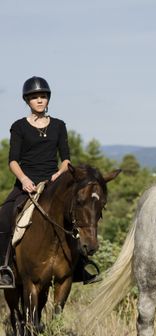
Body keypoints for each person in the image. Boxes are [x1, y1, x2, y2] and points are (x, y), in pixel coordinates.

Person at [0, 76, 96, 288]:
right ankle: (4, 267)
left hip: (52, 183)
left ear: (48, 98)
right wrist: (23, 179)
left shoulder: (59, 126)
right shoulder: (18, 127)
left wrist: (60, 173)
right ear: (27, 101)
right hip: (26, 184)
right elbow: (13, 161)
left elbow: (66, 159)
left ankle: (80, 265)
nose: (39, 100)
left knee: (75, 212)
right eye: (34, 97)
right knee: (5, 215)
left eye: (42, 96)